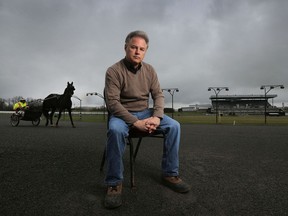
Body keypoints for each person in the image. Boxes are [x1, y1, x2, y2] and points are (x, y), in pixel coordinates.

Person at [104, 30, 191, 209]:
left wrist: (157, 117)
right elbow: (112, 103)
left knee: (174, 126)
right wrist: (135, 122)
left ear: (145, 51)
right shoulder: (113, 71)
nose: (137, 52)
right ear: (125, 47)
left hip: (145, 112)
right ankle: (114, 183)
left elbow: (158, 95)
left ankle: (169, 174)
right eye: (134, 47)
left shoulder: (150, 70)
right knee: (115, 130)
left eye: (141, 49)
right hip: (122, 114)